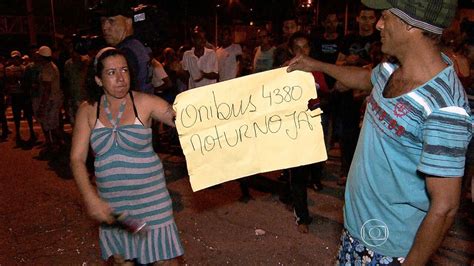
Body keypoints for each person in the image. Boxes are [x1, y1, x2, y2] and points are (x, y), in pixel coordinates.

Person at [287, 0, 472, 264]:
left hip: (389, 251)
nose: (378, 24)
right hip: (355, 230)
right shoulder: (393, 68)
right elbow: (365, 79)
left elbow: (445, 207)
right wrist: (315, 65)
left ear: (411, 25)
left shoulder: (445, 106)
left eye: (385, 17)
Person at [70, 47, 183, 265]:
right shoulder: (87, 110)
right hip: (113, 206)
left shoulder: (146, 103)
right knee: (123, 262)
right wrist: (90, 197)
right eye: (111, 73)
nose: (121, 78)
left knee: (165, 262)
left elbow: (189, 119)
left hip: (153, 202)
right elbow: (76, 159)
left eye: (124, 70)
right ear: (98, 80)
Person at [97, 0, 154, 94]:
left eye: (111, 21)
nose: (105, 27)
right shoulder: (136, 45)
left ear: (128, 23)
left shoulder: (126, 52)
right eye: (103, 21)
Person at [35, 46, 64, 157]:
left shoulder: (47, 68)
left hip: (51, 100)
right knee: (52, 124)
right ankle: (58, 145)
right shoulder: (51, 66)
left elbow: (47, 89)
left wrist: (42, 106)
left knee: (52, 125)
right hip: (54, 99)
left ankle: (63, 144)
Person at [5, 50, 36, 146]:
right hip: (15, 94)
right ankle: (18, 133)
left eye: (17, 58)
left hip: (24, 94)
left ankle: (32, 132)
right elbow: (12, 79)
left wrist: (20, 77)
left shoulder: (25, 67)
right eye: (14, 58)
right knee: (16, 115)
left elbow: (26, 79)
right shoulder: (9, 68)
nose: (15, 60)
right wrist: (20, 77)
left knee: (28, 114)